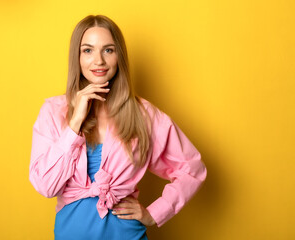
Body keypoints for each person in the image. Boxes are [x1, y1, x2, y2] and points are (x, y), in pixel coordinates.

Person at [29, 15, 207, 240]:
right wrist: (75, 124)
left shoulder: (144, 114)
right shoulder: (53, 111)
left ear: (119, 56)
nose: (99, 61)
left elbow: (192, 169)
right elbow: (46, 186)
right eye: (88, 50)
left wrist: (154, 213)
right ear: (77, 56)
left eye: (108, 50)